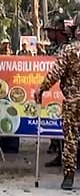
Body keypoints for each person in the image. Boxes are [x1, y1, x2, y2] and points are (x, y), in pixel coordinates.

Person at [35, 13, 80, 190]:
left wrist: (41, 89)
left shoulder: (69, 50)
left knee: (71, 139)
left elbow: (55, 73)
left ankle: (68, 177)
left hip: (73, 101)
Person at [43, 16, 71, 165]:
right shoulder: (52, 47)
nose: (48, 34)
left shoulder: (68, 48)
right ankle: (59, 153)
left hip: (67, 92)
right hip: (54, 89)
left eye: (50, 31)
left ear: (58, 32)